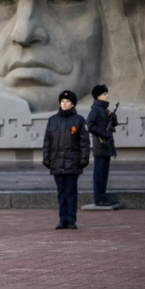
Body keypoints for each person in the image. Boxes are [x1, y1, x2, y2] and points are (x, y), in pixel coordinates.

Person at [42, 90, 90, 230]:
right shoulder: (52, 120)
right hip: (56, 162)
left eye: (67, 101)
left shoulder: (79, 120)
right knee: (61, 193)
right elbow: (47, 142)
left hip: (72, 162)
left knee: (71, 192)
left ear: (73, 104)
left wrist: (83, 159)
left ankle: (71, 220)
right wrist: (46, 158)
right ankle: (62, 220)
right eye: (62, 101)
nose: (64, 103)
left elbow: (84, 142)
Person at [86, 85, 118, 207]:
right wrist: (103, 133)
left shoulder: (104, 110)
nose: (107, 95)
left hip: (106, 146)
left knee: (104, 174)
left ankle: (103, 197)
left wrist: (112, 118)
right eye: (104, 94)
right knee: (99, 173)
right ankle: (99, 199)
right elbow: (90, 125)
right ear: (98, 96)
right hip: (100, 146)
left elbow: (112, 125)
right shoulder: (96, 109)